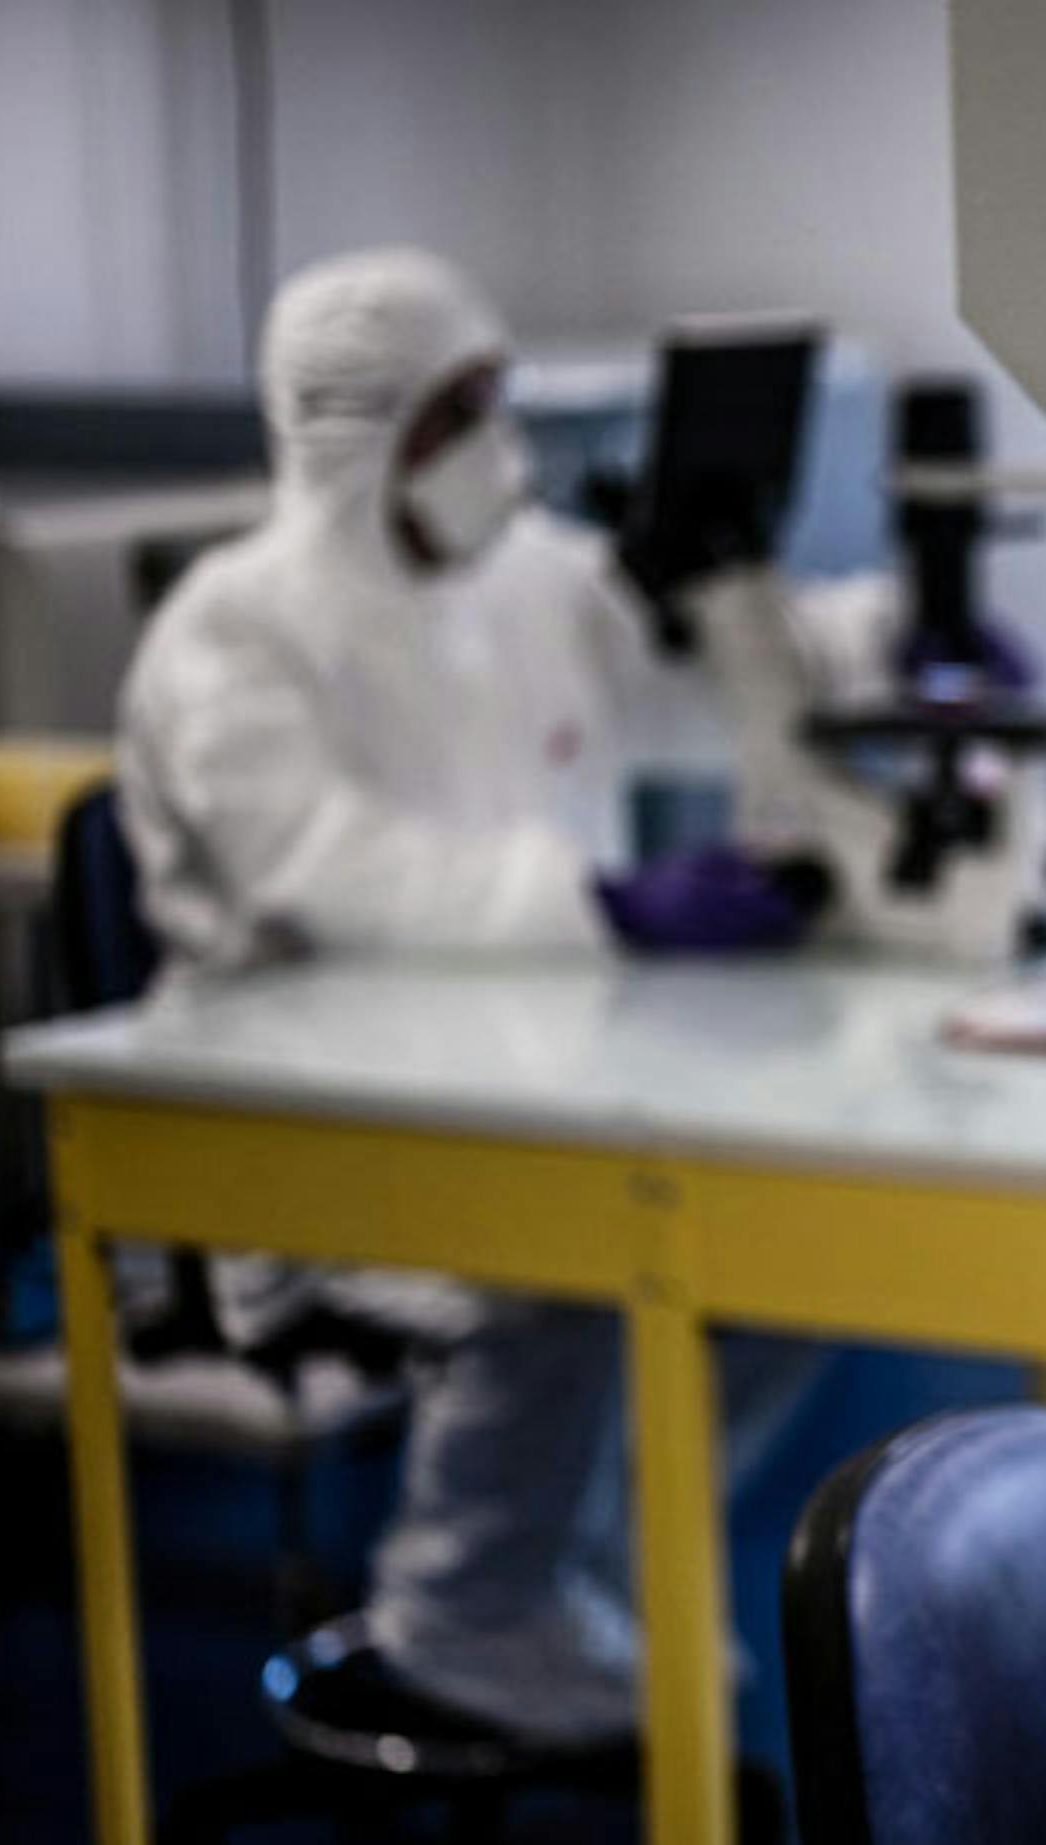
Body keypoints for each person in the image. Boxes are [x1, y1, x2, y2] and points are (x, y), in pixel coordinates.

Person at [116, 246, 822, 1749]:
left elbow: (703, 686)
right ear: (356, 433)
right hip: (296, 1126)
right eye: (462, 417)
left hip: (519, 1070)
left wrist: (788, 616)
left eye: (500, 410)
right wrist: (599, 904)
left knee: (792, 1249)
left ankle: (585, 1553)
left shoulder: (529, 586)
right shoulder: (232, 627)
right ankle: (459, 1606)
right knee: (561, 1262)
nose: (497, 456)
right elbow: (326, 868)